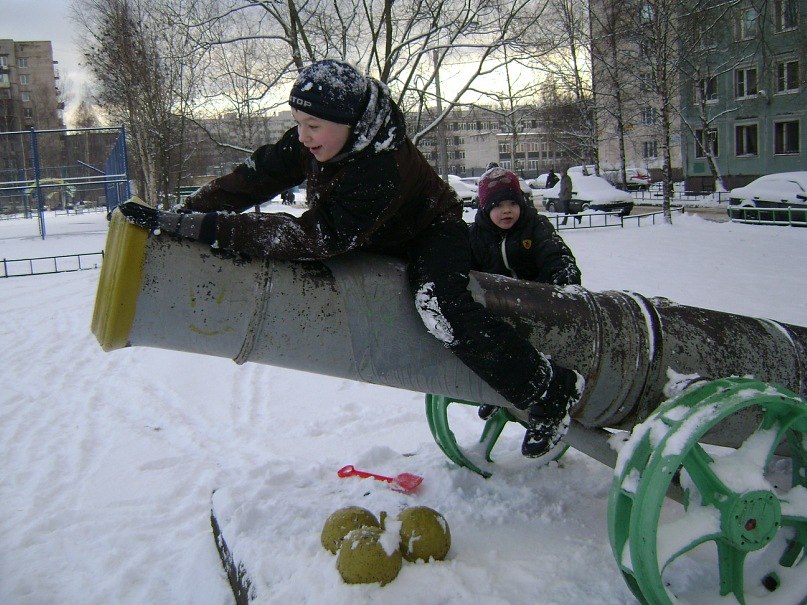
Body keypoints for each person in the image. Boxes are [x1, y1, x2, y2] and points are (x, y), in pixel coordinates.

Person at [116, 59, 583, 458]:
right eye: (298, 123)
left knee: (442, 311)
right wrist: (188, 213)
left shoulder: (381, 165)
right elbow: (259, 175)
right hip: (374, 228)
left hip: (429, 232)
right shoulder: (323, 137)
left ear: (349, 123)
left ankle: (547, 389)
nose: (303, 136)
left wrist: (208, 230)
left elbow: (313, 236)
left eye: (313, 127)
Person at [469, 167, 582, 456]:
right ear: (485, 208)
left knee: (543, 354)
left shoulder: (536, 227)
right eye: (498, 206)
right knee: (488, 342)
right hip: (500, 309)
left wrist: (563, 277)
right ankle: (501, 388)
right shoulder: (476, 237)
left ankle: (548, 409)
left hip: (541, 308)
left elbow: (553, 253)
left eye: (512, 204)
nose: (507, 211)